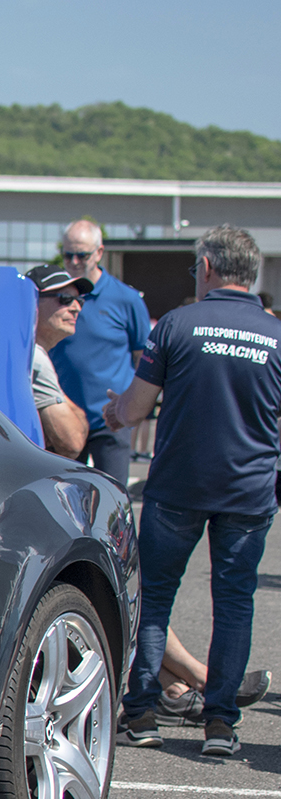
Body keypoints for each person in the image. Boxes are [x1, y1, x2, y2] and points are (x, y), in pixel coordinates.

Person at [104, 226, 278, 755]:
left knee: (154, 596)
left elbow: (133, 411)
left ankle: (142, 715)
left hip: (178, 486)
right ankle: (220, 723)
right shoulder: (275, 334)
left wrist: (114, 411)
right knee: (234, 603)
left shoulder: (178, 324)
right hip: (248, 491)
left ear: (206, 268)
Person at [52, 220, 150, 485]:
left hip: (110, 419)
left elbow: (144, 360)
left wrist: (132, 406)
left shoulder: (126, 299)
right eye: (67, 254)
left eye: (81, 255)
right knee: (61, 503)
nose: (73, 261)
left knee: (112, 500)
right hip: (62, 416)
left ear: (99, 253)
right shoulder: (52, 297)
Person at [25, 265, 90, 457]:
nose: (76, 308)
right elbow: (72, 442)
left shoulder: (26, 352)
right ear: (33, 303)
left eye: (79, 300)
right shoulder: (34, 357)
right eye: (65, 299)